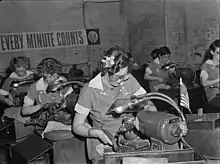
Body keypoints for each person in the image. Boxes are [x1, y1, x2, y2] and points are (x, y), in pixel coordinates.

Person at [72, 46, 158, 163]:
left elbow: (148, 104)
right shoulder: (90, 90)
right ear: (107, 70)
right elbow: (77, 126)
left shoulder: (129, 80)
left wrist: (149, 118)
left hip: (131, 139)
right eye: (118, 77)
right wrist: (97, 133)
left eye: (125, 75)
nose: (122, 80)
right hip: (103, 144)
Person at [200, 39, 219, 113]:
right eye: (218, 53)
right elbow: (204, 83)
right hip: (214, 97)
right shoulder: (206, 66)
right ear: (212, 52)